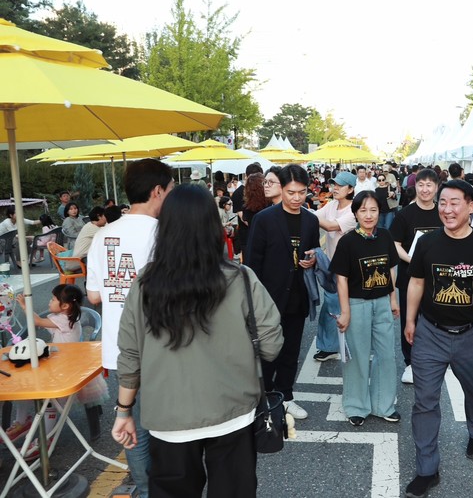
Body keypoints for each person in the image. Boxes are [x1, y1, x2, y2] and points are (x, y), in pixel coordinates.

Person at [111, 184, 284, 497]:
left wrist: (124, 412)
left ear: (166, 229)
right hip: (233, 413)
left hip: (168, 419)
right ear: (213, 227)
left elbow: (130, 355)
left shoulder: (145, 285)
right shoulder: (241, 278)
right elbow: (271, 345)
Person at [403, 179, 473, 498]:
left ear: (471, 206)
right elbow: (416, 282)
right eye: (442, 202)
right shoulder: (427, 242)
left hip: (472, 334)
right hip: (430, 333)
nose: (447, 209)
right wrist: (410, 320)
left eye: (454, 203)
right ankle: (426, 469)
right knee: (424, 401)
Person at [87, 158, 175, 498]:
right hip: (162, 345)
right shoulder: (164, 234)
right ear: (158, 191)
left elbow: (94, 296)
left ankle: (145, 489)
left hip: (118, 348)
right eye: (170, 190)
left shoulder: (102, 235)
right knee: (167, 426)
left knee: (132, 424)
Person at [245, 164, 319, 421]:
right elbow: (252, 264)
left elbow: (314, 249)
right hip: (268, 299)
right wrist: (251, 302)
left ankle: (286, 396)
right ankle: (263, 398)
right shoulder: (264, 219)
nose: (297, 198)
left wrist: (313, 259)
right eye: (291, 192)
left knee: (291, 351)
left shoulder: (311, 220)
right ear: (282, 189)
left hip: (297, 296)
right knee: (266, 352)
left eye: (301, 192)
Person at [12, 284, 109, 457]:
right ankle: (25, 423)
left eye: (52, 299)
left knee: (49, 401)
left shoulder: (64, 320)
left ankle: (45, 439)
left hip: (66, 371)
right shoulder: (66, 318)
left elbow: (37, 321)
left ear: (64, 306)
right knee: (27, 388)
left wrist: (25, 306)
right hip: (61, 365)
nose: (49, 302)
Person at [330, 190, 400, 426]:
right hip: (357, 304)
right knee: (358, 357)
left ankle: (383, 405)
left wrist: (392, 299)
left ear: (380, 212)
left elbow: (391, 269)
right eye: (363, 210)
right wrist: (345, 311)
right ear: (355, 213)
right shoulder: (347, 241)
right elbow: (341, 279)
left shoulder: (385, 236)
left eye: (373, 210)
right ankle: (356, 406)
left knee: (386, 355)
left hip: (382, 303)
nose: (369, 215)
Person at [389, 168, 443, 385]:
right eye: (421, 185)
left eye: (429, 185)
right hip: (410, 276)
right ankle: (410, 362)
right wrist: (414, 260)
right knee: (410, 318)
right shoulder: (405, 214)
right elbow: (395, 244)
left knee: (435, 317)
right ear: (415, 187)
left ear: (437, 187)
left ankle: (432, 358)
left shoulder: (443, 212)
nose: (425, 189)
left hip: (437, 278)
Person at [312, 171, 357, 362]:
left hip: (347, 267)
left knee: (334, 305)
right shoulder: (332, 205)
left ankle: (332, 346)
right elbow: (316, 217)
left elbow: (331, 226)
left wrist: (303, 212)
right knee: (332, 305)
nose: (335, 188)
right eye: (334, 184)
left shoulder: (354, 211)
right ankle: (331, 345)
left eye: (340, 185)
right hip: (331, 263)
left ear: (351, 189)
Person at [230, 162, 263, 259]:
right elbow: (244, 218)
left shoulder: (265, 191)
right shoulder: (239, 193)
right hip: (248, 236)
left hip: (256, 236)